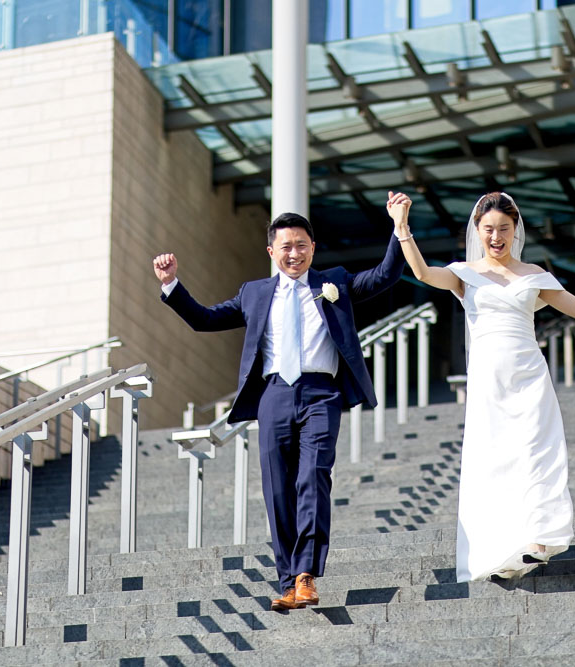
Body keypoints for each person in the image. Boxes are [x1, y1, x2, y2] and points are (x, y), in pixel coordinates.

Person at [152, 196, 411, 610]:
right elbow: (205, 319)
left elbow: (384, 276)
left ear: (313, 248)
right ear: (272, 252)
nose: (295, 253)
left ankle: (306, 573)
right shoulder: (254, 293)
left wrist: (399, 227)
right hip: (273, 395)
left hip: (320, 392)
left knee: (313, 476)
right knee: (277, 489)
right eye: (286, 246)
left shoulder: (335, 282)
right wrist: (171, 284)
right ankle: (289, 580)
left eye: (302, 245)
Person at [394, 191, 575, 582]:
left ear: (516, 231)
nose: (496, 236)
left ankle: (540, 540)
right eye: (489, 229)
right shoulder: (465, 274)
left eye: (504, 228)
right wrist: (402, 228)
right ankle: (503, 549)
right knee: (497, 462)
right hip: (489, 385)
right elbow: (423, 274)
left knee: (538, 453)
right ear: (477, 231)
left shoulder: (535, 276)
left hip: (529, 376)